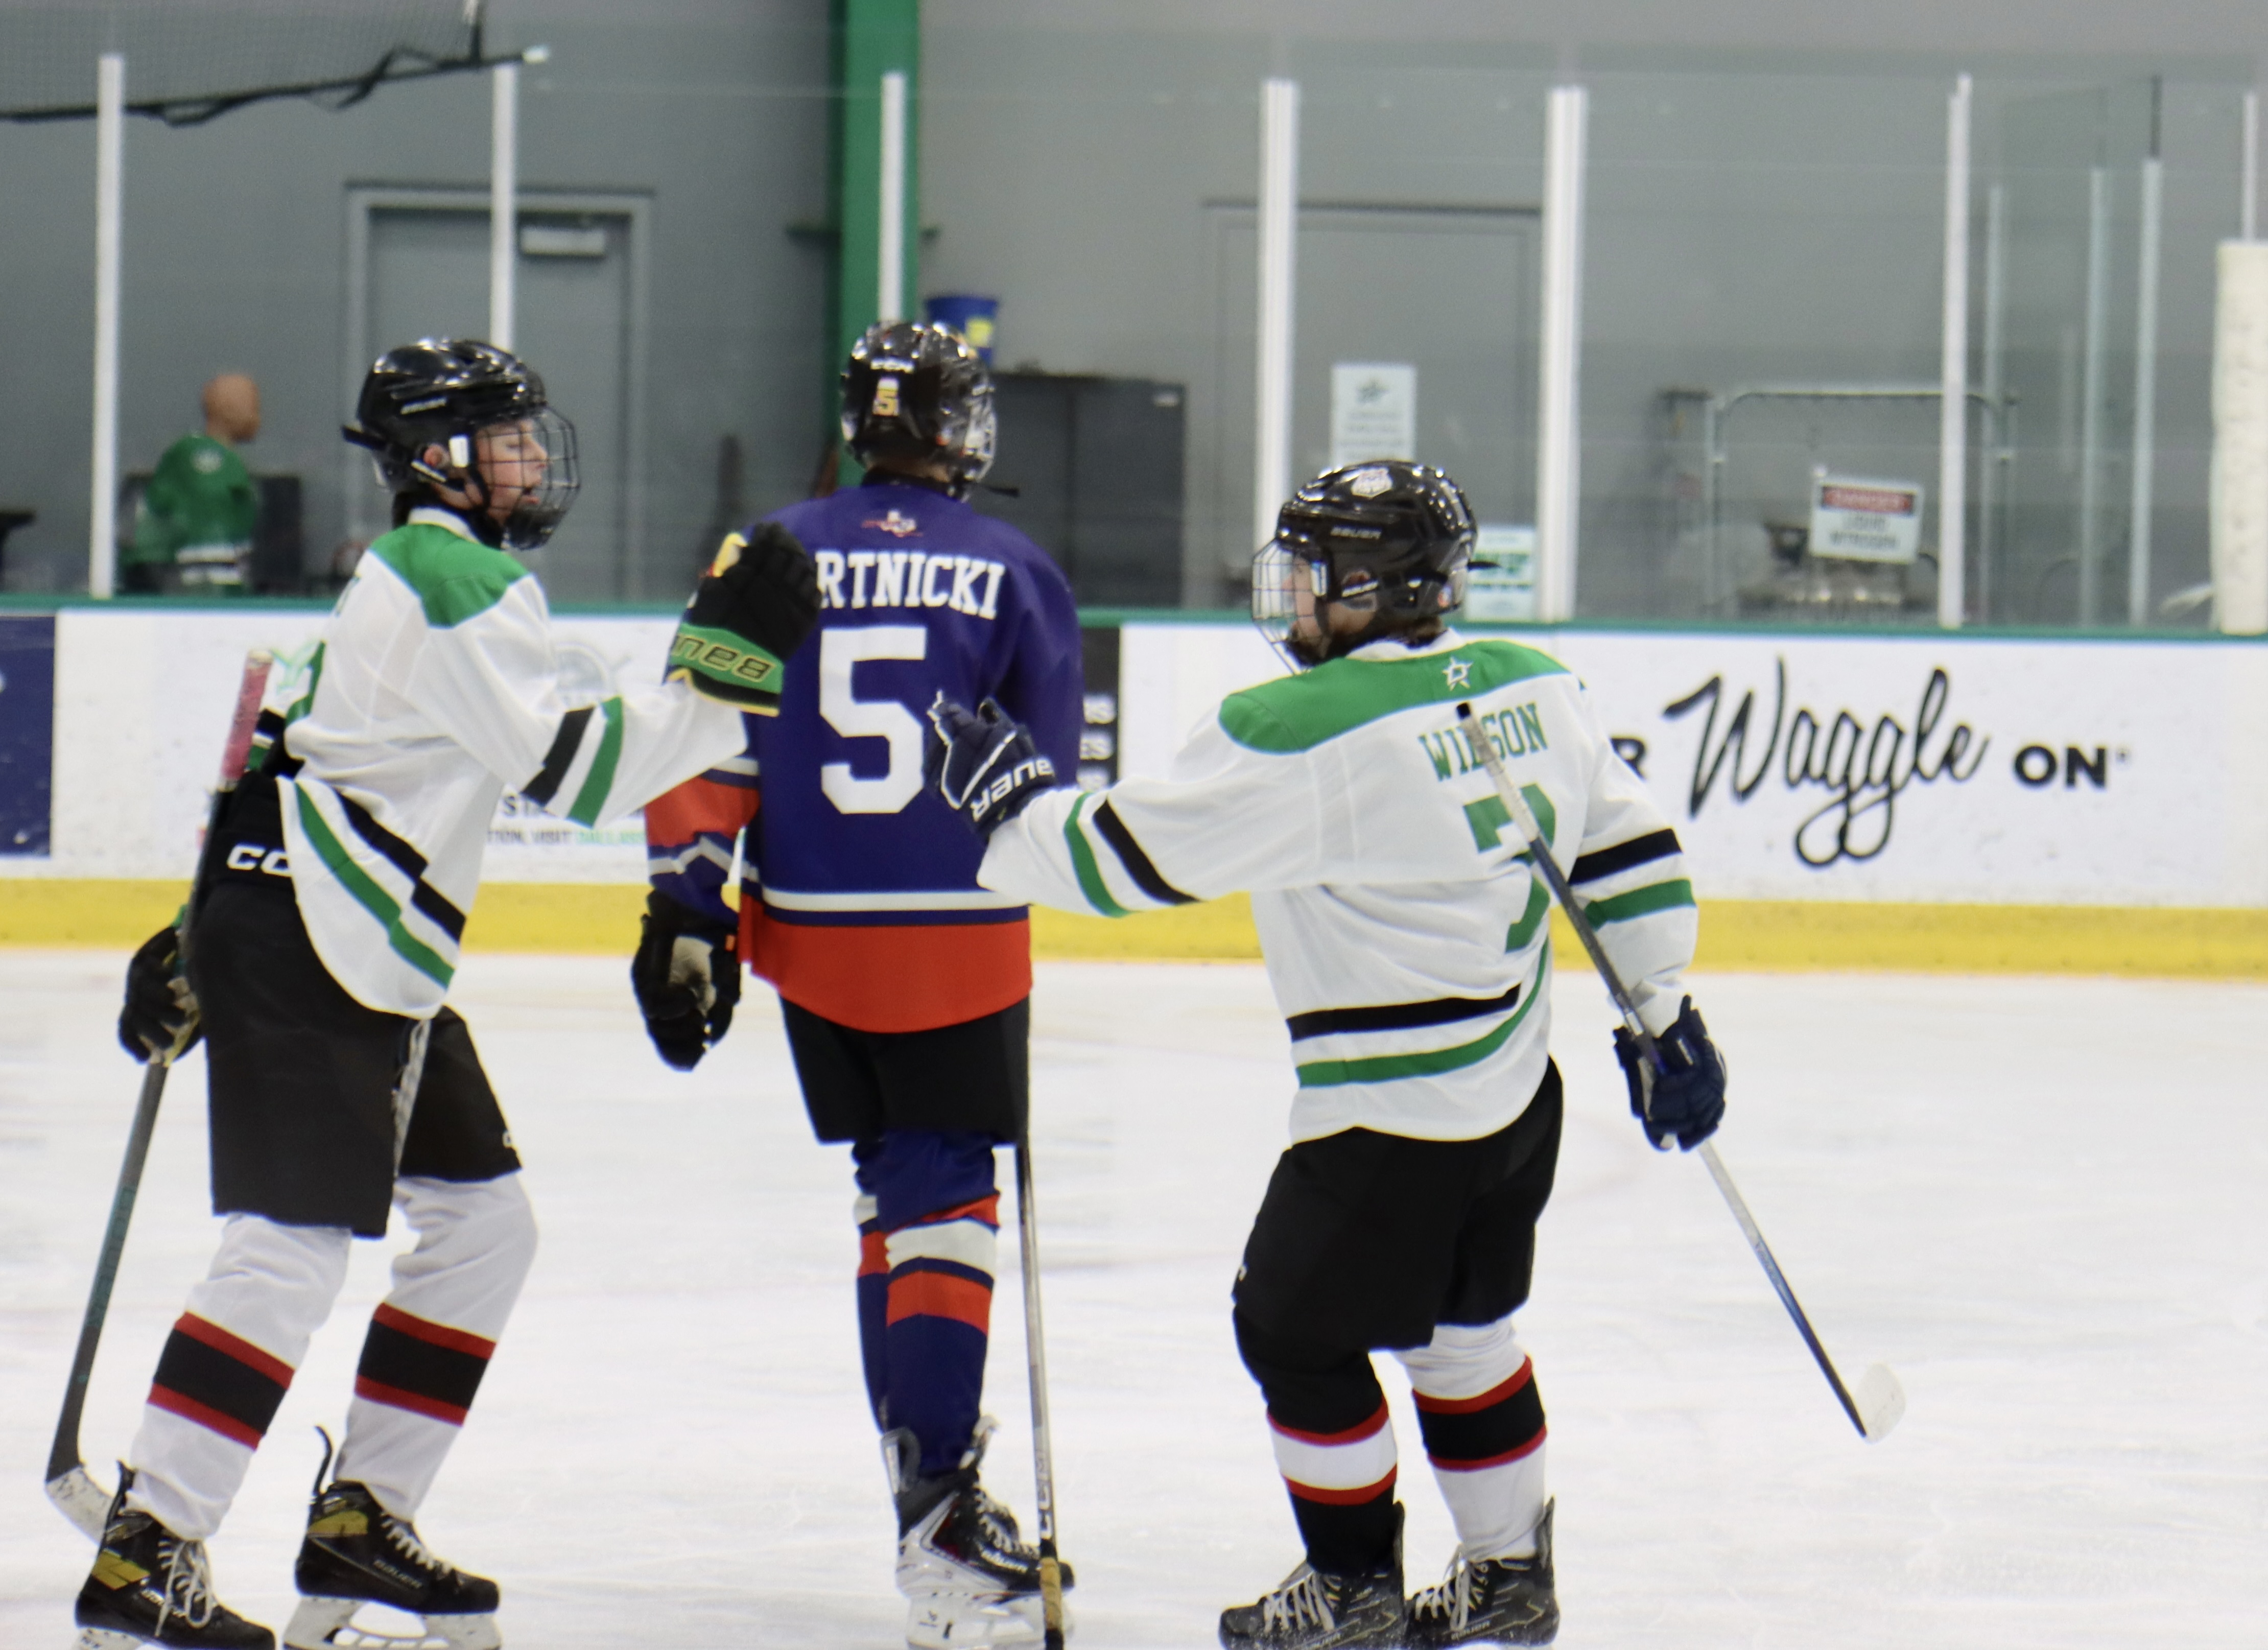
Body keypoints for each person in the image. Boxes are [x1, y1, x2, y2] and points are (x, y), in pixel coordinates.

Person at [83, 338, 821, 1650]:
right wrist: (727, 673)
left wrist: (197, 930)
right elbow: (580, 774)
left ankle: (362, 1515)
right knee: (290, 1246)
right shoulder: (452, 575)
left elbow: (279, 734)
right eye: (508, 437)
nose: (534, 457)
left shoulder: (417, 576)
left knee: (484, 1227)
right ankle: (149, 1548)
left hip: (347, 942)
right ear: (438, 457)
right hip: (320, 939)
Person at [924, 460, 1728, 1650]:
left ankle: (1351, 1587)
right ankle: (1510, 1571)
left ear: (1365, 585)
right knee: (1462, 1333)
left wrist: (1011, 809)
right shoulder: (1538, 684)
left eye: (1309, 569)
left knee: (1293, 1334)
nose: (1290, 590)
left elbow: (1123, 862)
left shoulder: (1299, 728)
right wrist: (1663, 1012)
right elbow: (1627, 851)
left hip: (1388, 1124)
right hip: (1515, 1100)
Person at [634, 320, 1083, 1648]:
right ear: (959, 429)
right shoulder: (1014, 568)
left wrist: (688, 910)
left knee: (890, 1203)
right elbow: (1045, 780)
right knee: (944, 1198)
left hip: (810, 937)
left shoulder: (763, 550)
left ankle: (923, 1492)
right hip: (957, 933)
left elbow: (701, 740)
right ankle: (940, 1512)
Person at [126, 374, 266, 595]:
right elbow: (210, 552)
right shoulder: (206, 462)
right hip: (203, 597)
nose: (258, 418)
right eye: (253, 408)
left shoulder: (211, 461)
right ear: (229, 410)